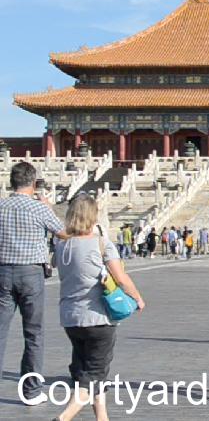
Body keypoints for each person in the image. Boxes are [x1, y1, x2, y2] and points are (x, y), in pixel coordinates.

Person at [53, 193, 144, 421]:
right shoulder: (101, 244)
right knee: (94, 374)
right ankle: (63, 417)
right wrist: (138, 299)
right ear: (93, 217)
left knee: (88, 370)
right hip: (98, 318)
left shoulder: (61, 246)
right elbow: (121, 278)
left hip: (71, 318)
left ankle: (102, 417)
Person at [0, 162, 68, 405]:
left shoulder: (1, 206)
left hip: (2, 271)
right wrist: (50, 208)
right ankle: (31, 391)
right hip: (31, 273)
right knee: (33, 333)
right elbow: (63, 232)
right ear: (33, 182)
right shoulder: (38, 208)